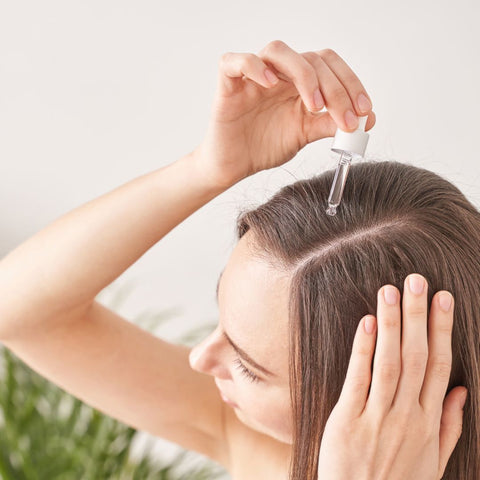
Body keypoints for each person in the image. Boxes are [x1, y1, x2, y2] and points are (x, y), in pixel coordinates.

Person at [0, 40, 474, 479]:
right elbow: (19, 313)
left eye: (249, 366)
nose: (199, 358)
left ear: (379, 394)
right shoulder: (266, 448)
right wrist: (207, 168)